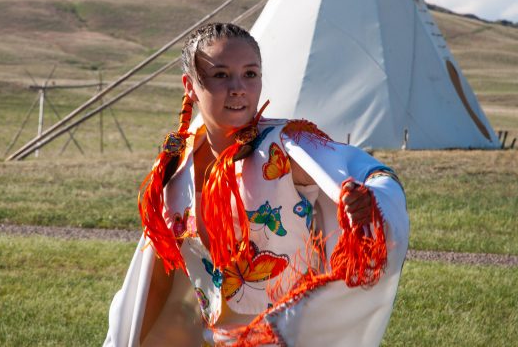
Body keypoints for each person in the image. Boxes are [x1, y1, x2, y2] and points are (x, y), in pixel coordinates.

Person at [105, 23, 408, 346]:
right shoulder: (174, 169)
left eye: (250, 74)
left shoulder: (285, 147)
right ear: (190, 86)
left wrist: (368, 199)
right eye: (221, 75)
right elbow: (158, 280)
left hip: (288, 337)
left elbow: (364, 170)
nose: (238, 88)